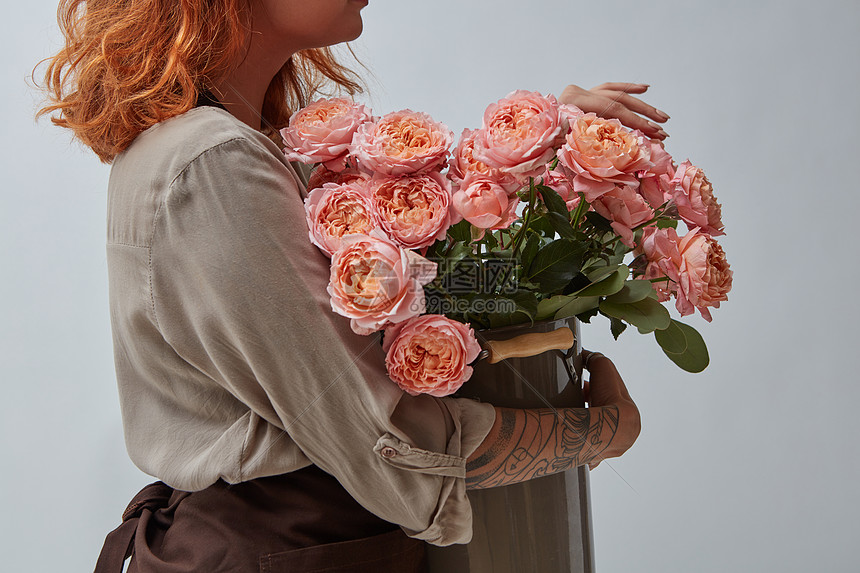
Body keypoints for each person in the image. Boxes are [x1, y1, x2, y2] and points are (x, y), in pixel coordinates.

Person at [38, 1, 656, 571]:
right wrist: (601, 431)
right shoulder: (213, 163)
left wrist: (546, 154)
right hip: (283, 550)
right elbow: (383, 436)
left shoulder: (231, 148)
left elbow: (417, 293)